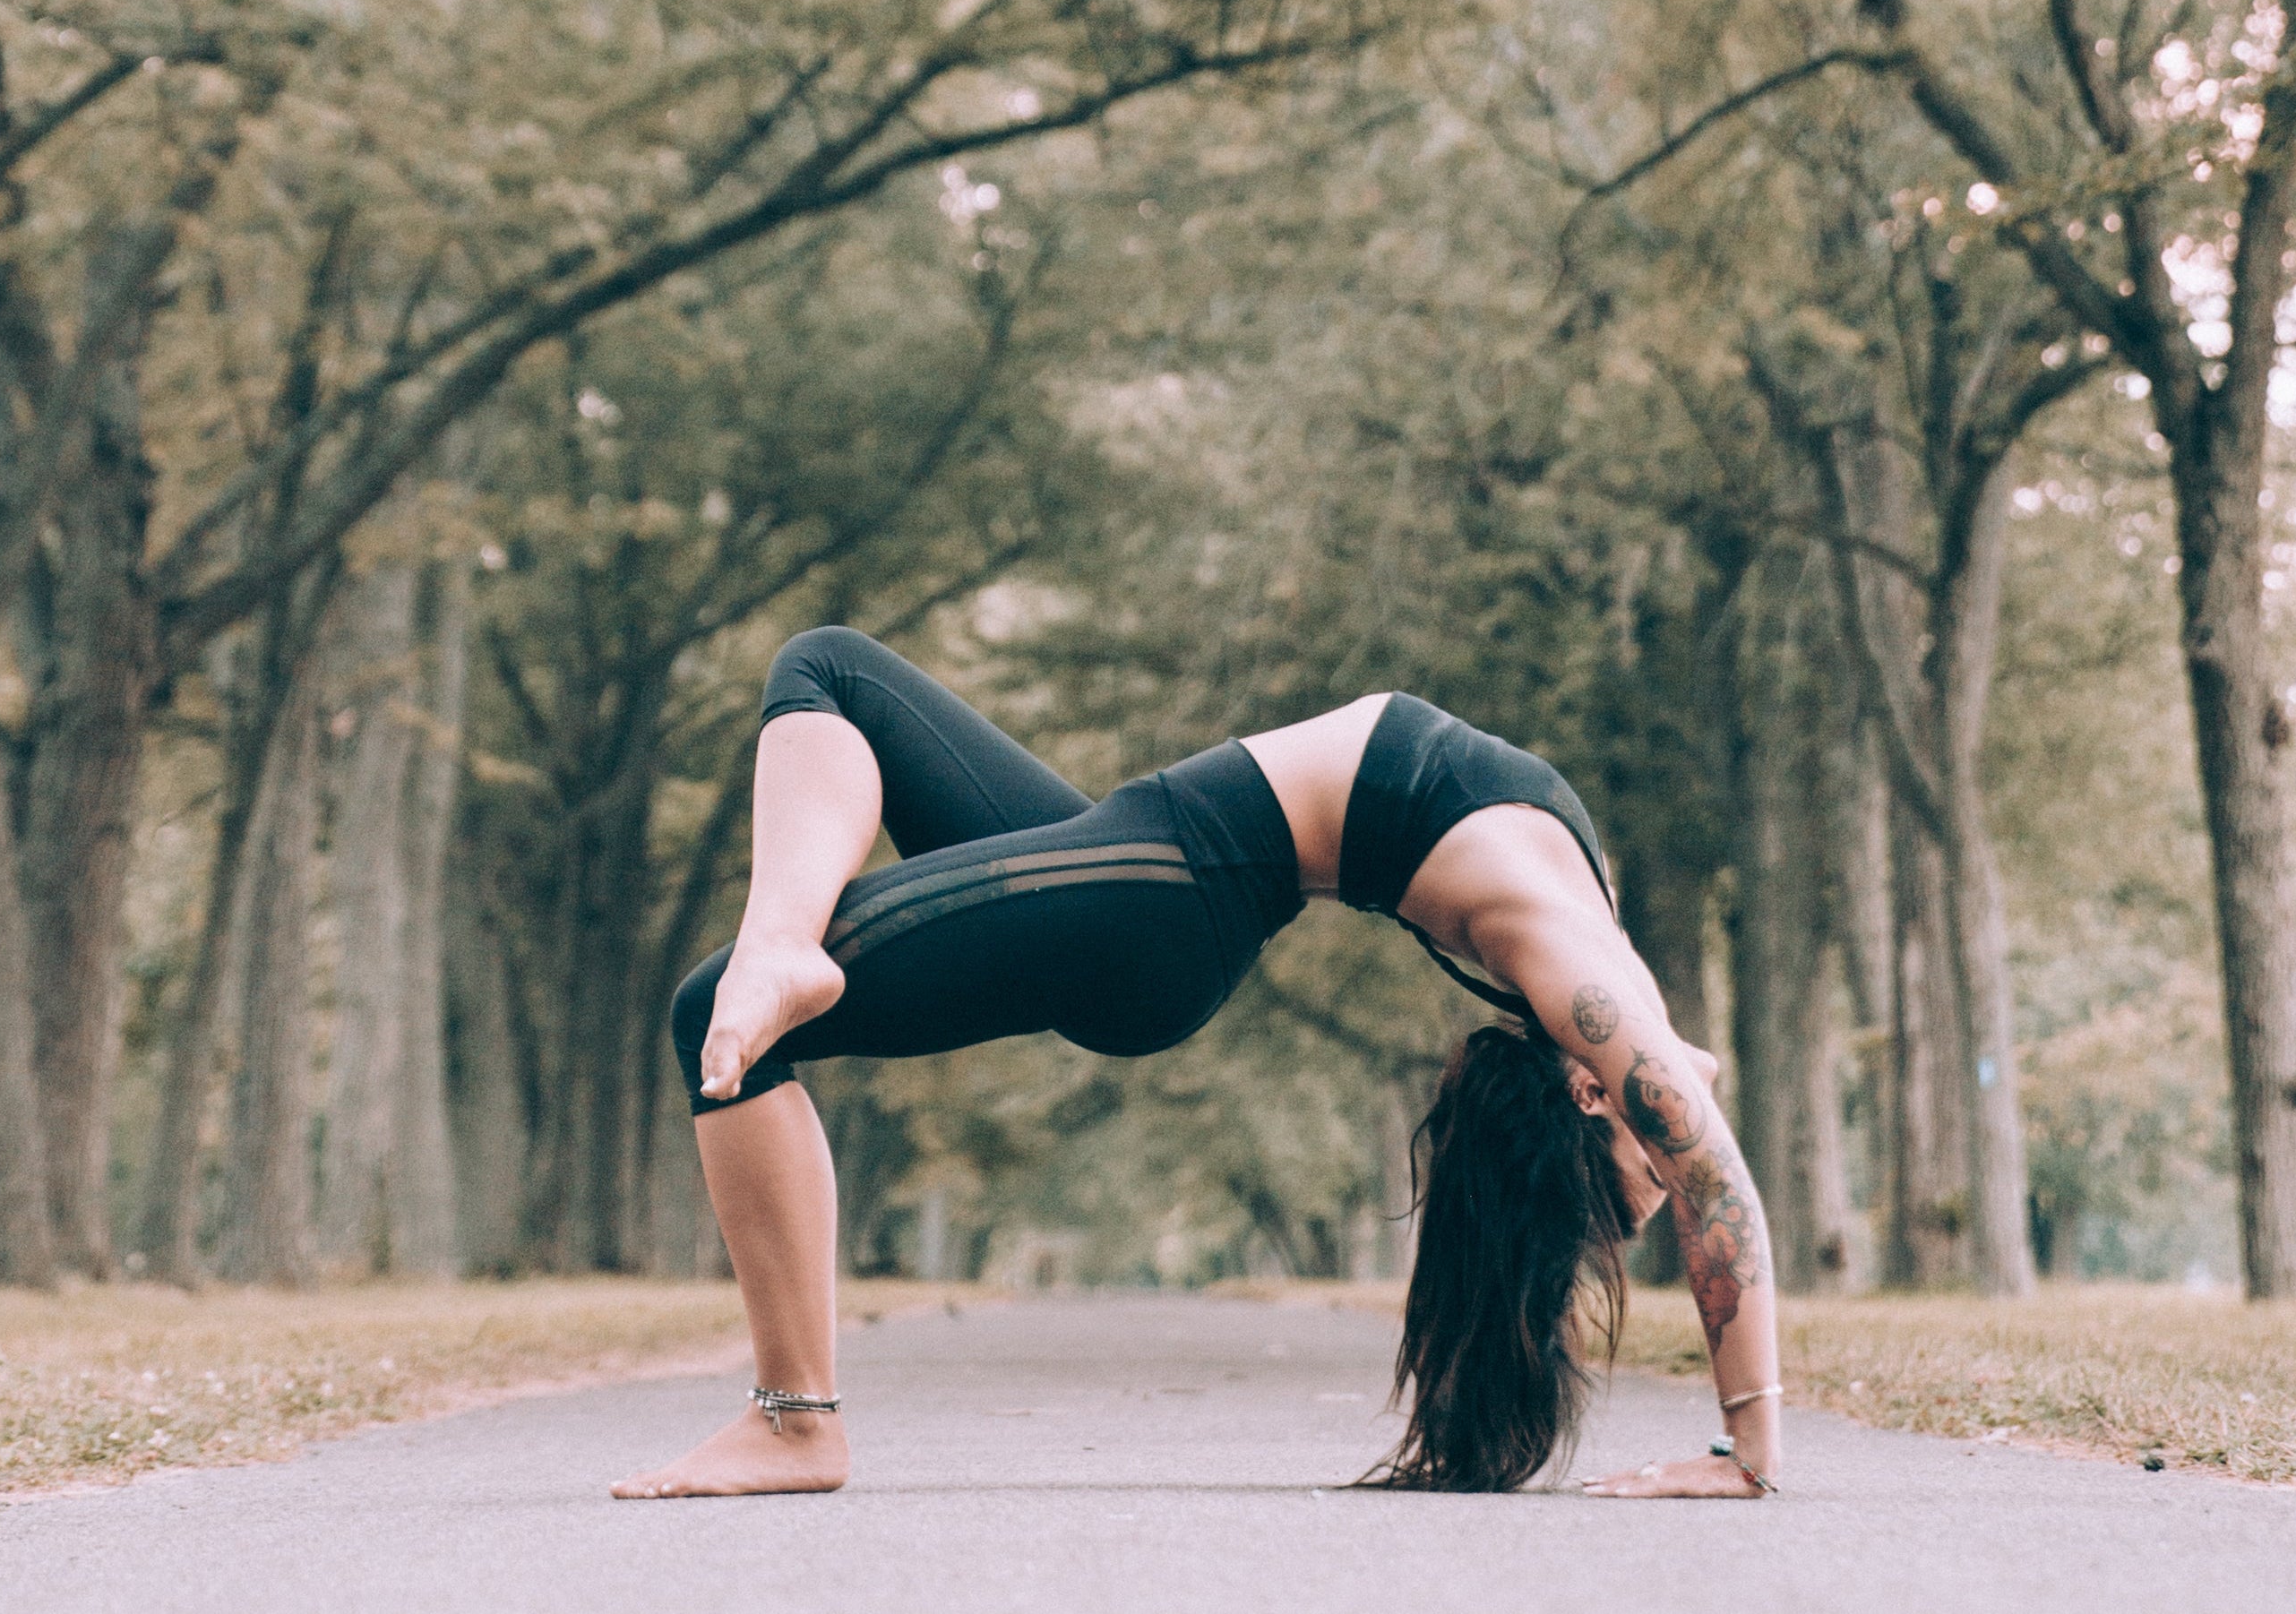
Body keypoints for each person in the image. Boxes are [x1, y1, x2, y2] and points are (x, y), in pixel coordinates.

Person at [611, 627, 1781, 1503]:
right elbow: (1703, 1121)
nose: (1674, 1140)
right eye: (1641, 1179)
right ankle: (783, 943)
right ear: (1591, 1087)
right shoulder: (1598, 978)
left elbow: (1714, 1171)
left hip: (1165, 900)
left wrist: (1747, 1453)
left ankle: (796, 1421)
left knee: (719, 1012)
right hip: (1145, 865)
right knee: (834, 671)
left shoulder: (1578, 971)